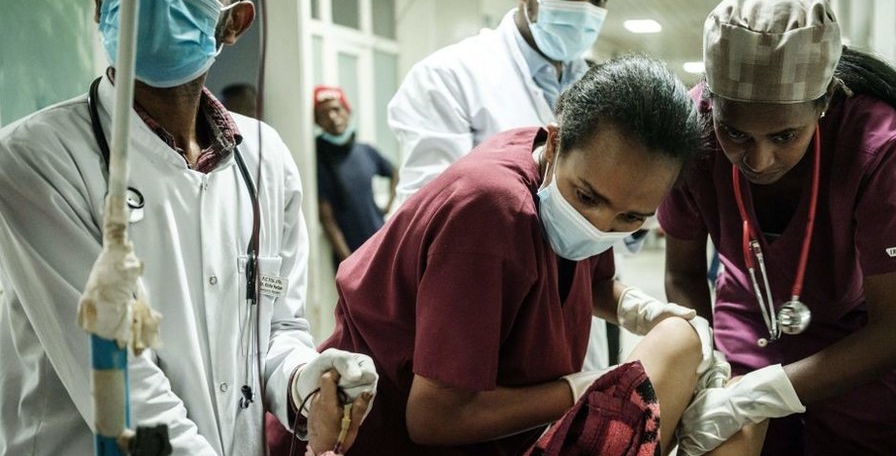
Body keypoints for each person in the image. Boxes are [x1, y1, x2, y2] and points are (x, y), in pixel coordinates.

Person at [0, 0, 376, 454]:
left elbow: (275, 330)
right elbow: (124, 386)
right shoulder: (35, 158)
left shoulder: (266, 158)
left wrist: (306, 384)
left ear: (233, 22)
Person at [270, 55, 722, 455]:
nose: (599, 226)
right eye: (587, 198)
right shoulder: (489, 212)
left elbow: (592, 279)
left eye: (631, 218)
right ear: (557, 141)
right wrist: (582, 389)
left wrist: (638, 310)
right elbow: (433, 418)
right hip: (375, 435)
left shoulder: (565, 167)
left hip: (476, 429)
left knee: (682, 341)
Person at [661, 0, 896, 455]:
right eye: (735, 132)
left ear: (823, 106)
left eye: (785, 135)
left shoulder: (874, 146)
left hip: (871, 328)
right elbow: (683, 273)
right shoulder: (692, 131)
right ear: (712, 106)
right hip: (754, 303)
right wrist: (705, 366)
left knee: (860, 442)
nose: (758, 160)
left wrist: (761, 394)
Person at [387, 0, 619, 372]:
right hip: (488, 320)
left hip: (576, 316)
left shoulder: (603, 91)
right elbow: (430, 221)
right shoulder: (450, 78)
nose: (584, 12)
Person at [313, 85, 398, 269]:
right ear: (318, 123)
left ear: (348, 111)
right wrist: (350, 264)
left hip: (381, 242)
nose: (332, 117)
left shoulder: (365, 151)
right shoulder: (321, 160)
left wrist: (388, 205)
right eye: (323, 114)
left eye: (336, 109)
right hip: (353, 255)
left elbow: (394, 172)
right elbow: (328, 220)